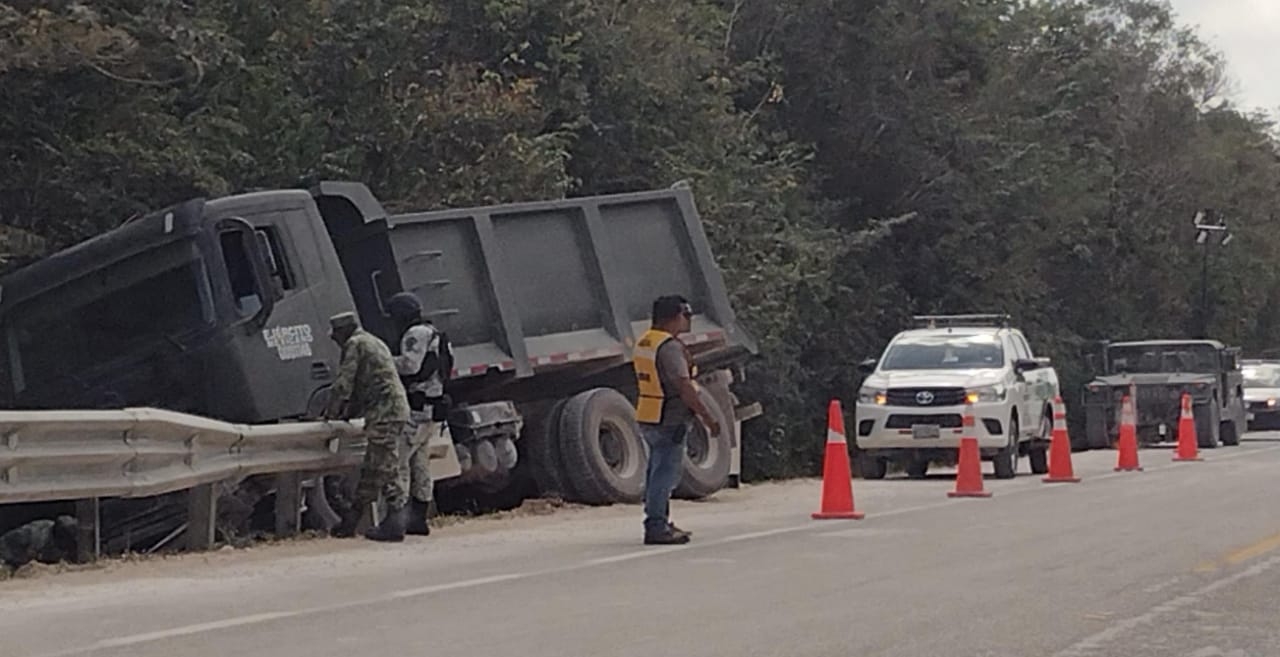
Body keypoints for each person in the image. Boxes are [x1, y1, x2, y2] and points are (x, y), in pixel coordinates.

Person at [633, 295, 722, 545]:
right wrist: (708, 417)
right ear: (674, 317)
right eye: (686, 315)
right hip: (669, 418)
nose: (689, 320)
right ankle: (656, 526)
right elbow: (684, 386)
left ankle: (657, 519)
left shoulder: (646, 341)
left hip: (649, 413)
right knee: (665, 474)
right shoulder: (669, 347)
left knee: (655, 471)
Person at [323, 312, 413, 542]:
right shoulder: (374, 341)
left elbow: (344, 385)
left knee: (382, 467)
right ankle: (355, 520)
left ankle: (392, 522)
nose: (335, 341)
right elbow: (366, 384)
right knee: (379, 466)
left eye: (335, 336)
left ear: (343, 332)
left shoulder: (355, 344)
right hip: (393, 408)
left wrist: (330, 414)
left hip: (385, 412)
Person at [386, 291, 454, 536]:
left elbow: (410, 365)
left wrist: (384, 361)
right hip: (431, 408)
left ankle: (395, 522)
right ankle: (418, 519)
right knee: (420, 464)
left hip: (416, 410)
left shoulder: (414, 335)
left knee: (397, 463)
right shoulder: (436, 333)